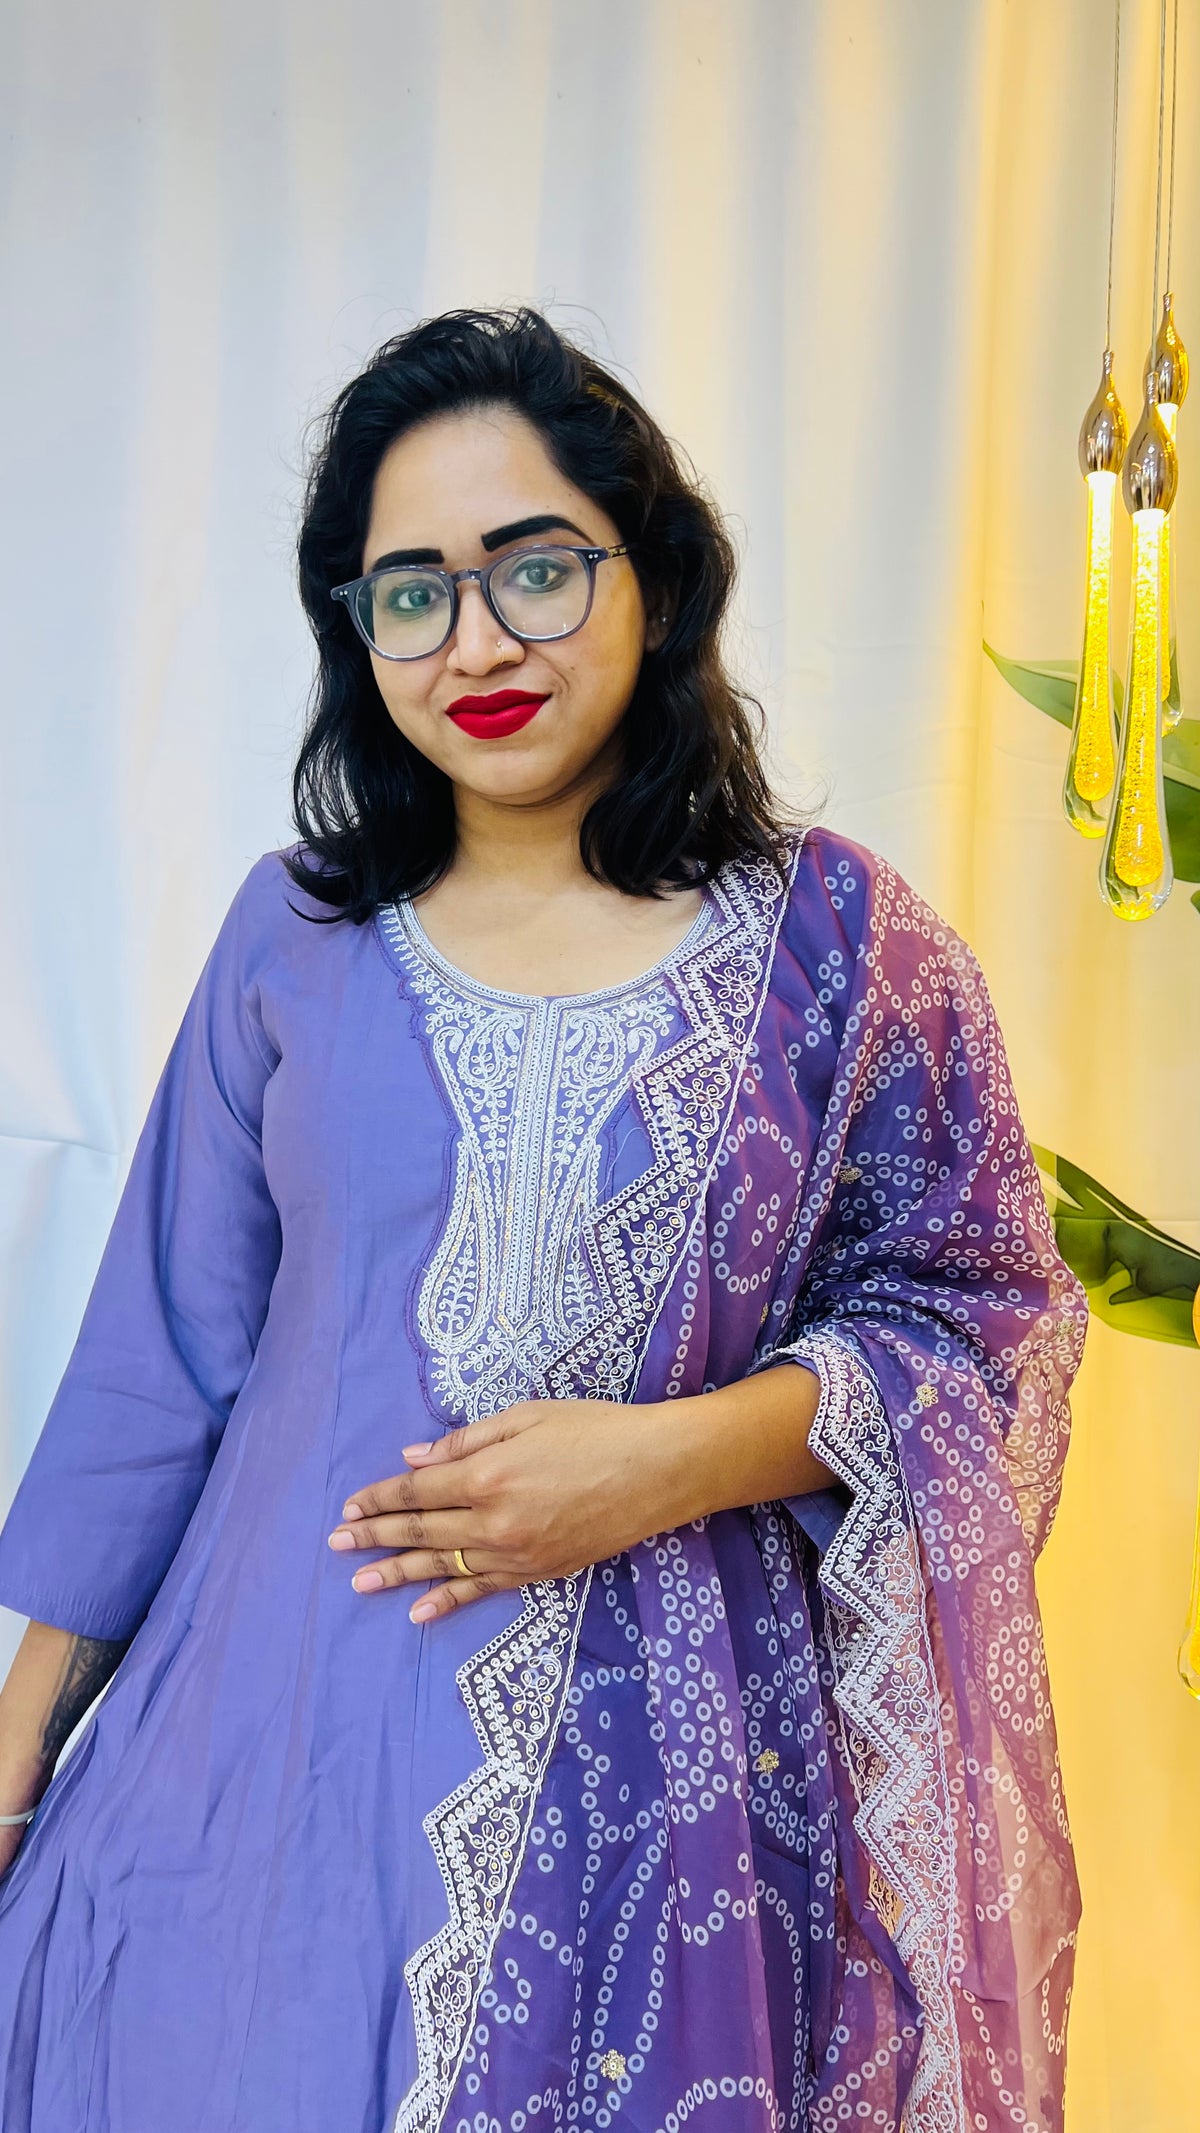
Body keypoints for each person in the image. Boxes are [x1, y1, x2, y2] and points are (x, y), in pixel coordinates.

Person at [0, 305, 1088, 2133]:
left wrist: (669, 1460)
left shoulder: (843, 946)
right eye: (410, 592)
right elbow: (163, 1368)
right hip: (246, 1793)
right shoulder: (295, 931)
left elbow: (984, 1319)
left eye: (535, 567)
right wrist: (18, 1753)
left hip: (670, 1822)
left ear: (652, 574)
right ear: (355, 630)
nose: (478, 641)